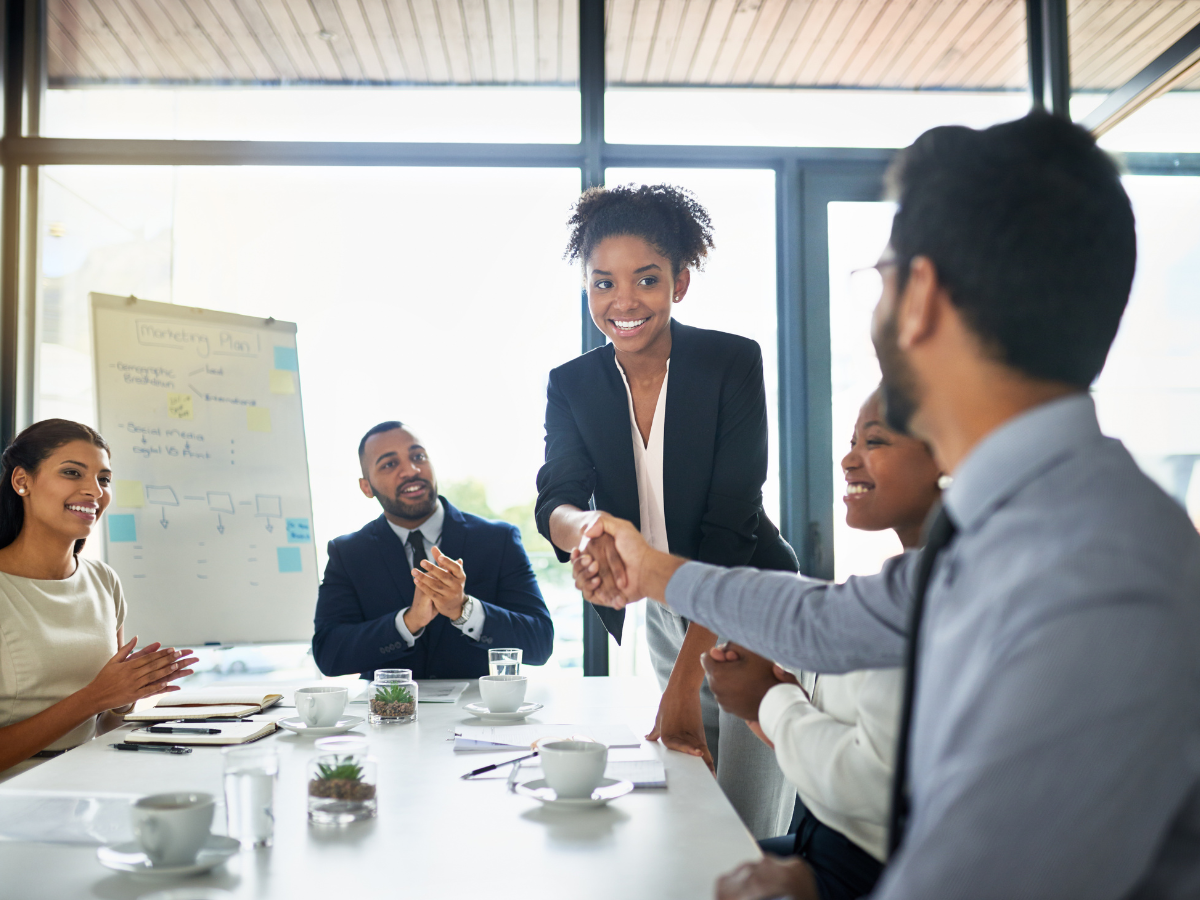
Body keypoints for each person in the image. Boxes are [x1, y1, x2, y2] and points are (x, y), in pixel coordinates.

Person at [571, 112, 1200, 899]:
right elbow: (827, 620)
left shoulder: (1095, 569)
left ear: (921, 298)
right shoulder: (1020, 520)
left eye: (880, 275)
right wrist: (656, 573)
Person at [535, 184, 798, 839]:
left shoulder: (730, 363)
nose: (623, 302)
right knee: (691, 789)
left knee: (744, 805)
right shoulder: (572, 384)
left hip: (748, 594)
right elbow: (557, 499)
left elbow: (728, 527)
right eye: (603, 283)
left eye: (646, 280)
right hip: (661, 601)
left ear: (680, 283)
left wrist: (683, 685)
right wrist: (588, 532)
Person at [715, 387, 942, 900]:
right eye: (851, 441)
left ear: (945, 453)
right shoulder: (895, 587)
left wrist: (770, 701)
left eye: (874, 442)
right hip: (824, 848)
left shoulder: (927, 603)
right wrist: (767, 701)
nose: (847, 459)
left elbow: (868, 784)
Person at [0, 419, 197, 781]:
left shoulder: (104, 580)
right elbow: (90, 703)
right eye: (72, 473)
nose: (94, 491)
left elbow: (102, 725)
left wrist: (124, 696)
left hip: (89, 777)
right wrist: (94, 697)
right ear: (21, 481)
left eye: (103, 479)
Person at [313, 421, 554, 680]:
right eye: (389, 464)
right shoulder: (348, 553)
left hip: (477, 715)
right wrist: (408, 622)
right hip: (389, 713)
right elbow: (329, 655)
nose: (411, 470)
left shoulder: (498, 539)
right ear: (366, 487)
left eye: (418, 457)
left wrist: (464, 609)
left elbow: (539, 644)